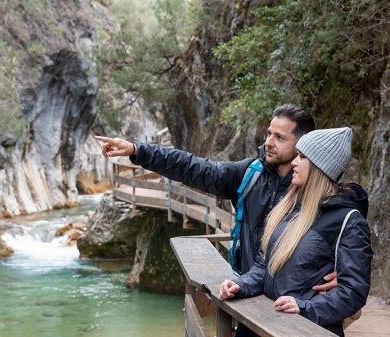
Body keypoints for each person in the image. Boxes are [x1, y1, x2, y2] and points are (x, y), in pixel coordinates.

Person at [96, 104, 320, 275]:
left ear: (302, 144)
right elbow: (193, 167)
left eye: (279, 137)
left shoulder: (316, 188)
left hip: (295, 305)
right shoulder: (250, 174)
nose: (269, 142)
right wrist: (138, 151)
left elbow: (345, 231)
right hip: (251, 294)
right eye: (269, 134)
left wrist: (342, 272)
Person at [218, 127, 373, 337]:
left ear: (320, 167)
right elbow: (264, 267)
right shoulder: (287, 207)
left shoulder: (348, 221)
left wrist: (305, 307)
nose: (294, 162)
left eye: (302, 157)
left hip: (304, 330)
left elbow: (353, 291)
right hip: (264, 325)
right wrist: (240, 285)